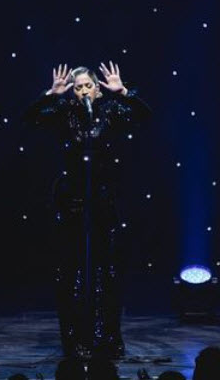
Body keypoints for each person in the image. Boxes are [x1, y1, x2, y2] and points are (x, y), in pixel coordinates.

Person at [23, 62, 151, 359]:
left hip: (103, 199)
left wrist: (124, 92)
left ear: (98, 90)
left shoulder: (110, 111)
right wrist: (50, 95)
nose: (83, 91)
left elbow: (145, 117)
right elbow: (29, 119)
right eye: (78, 87)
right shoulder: (64, 112)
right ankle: (74, 340)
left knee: (107, 271)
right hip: (71, 200)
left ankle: (109, 337)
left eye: (88, 86)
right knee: (71, 272)